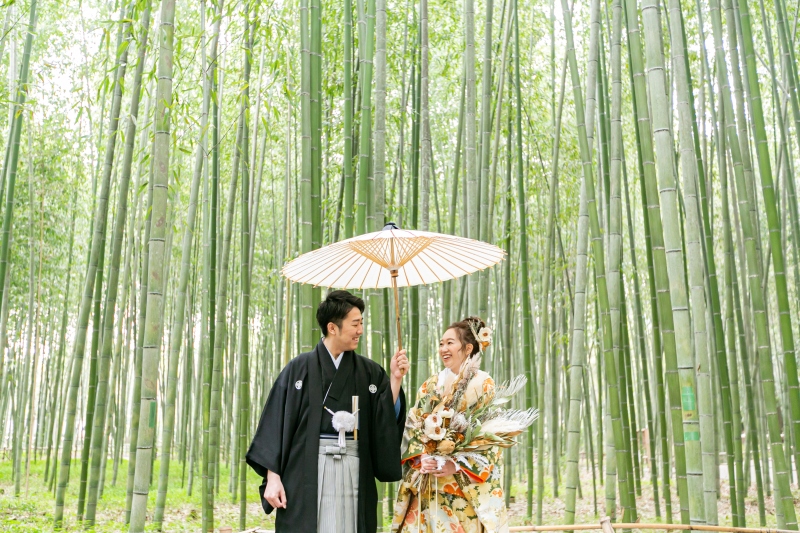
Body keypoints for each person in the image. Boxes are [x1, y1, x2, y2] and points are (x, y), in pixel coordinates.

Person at [246, 290, 409, 533]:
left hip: (354, 468)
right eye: (355, 324)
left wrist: (395, 379)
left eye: (362, 323)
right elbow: (274, 425)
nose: (360, 330)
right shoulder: (298, 369)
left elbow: (382, 421)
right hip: (305, 472)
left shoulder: (369, 372)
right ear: (333, 328)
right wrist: (273, 477)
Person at [391, 316, 510, 533]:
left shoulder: (483, 384)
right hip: (428, 485)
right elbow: (412, 427)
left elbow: (491, 438)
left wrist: (455, 465)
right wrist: (421, 458)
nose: (443, 348)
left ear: (467, 348)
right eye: (441, 343)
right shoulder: (430, 385)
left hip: (463, 490)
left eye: (450, 343)